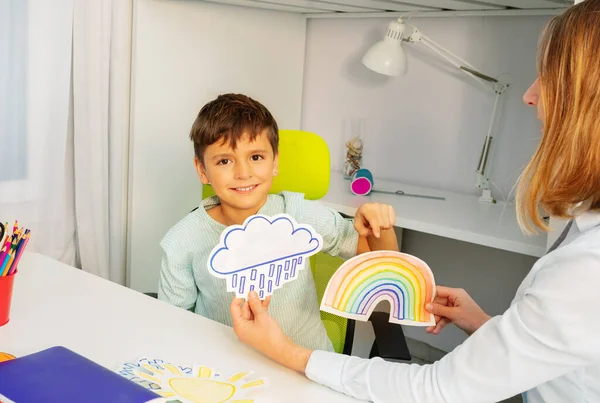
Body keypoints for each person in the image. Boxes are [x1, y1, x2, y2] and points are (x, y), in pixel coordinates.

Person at [228, 2, 600, 402]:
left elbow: (437, 386)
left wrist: (286, 352)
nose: (529, 96)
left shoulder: (587, 269)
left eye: (550, 77)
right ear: (202, 169)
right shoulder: (580, 225)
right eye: (224, 160)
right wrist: (485, 324)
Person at [158, 93, 399, 353]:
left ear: (275, 162)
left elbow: (384, 263)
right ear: (202, 170)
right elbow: (174, 326)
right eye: (225, 161)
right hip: (229, 370)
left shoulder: (295, 213)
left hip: (307, 366)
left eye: (256, 157)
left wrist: (379, 225)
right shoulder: (182, 240)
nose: (243, 173)